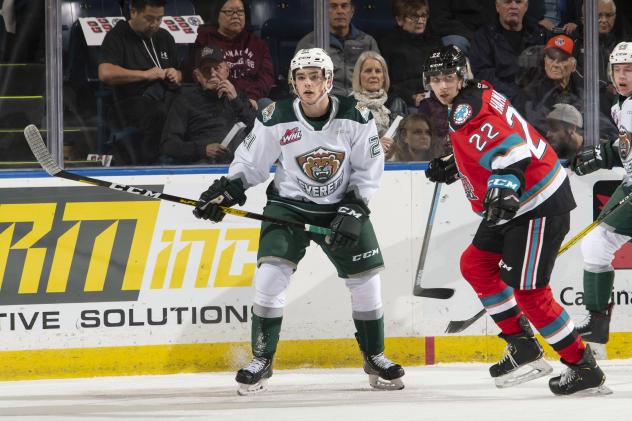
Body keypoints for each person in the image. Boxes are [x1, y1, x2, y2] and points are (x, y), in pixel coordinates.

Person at [192, 48, 405, 395]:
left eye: (315, 76)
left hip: (342, 206)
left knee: (366, 280)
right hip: (288, 207)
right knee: (270, 275)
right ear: (293, 82)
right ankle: (262, 358)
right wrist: (226, 191)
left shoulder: (357, 115)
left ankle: (374, 356)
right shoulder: (275, 117)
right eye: (301, 77)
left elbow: (369, 169)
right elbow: (252, 164)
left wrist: (355, 208)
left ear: (329, 80)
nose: (308, 84)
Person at [423, 45, 608, 395]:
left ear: (462, 75)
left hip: (536, 202)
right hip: (520, 199)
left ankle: (583, 367)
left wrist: (505, 184)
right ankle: (522, 346)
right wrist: (458, 163)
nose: (442, 85)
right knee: (476, 264)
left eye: (448, 77)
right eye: (435, 79)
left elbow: (513, 150)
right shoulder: (478, 93)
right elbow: (496, 139)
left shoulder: (465, 111)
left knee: (530, 294)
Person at [569, 42, 632, 344]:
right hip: (630, 183)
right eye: (618, 70)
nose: (622, 76)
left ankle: (596, 322)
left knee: (598, 242)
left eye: (629, 69)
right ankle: (597, 321)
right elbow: (627, 145)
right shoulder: (620, 105)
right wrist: (603, 154)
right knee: (596, 244)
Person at [98, 0, 181, 165]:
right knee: (158, 113)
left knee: (191, 104)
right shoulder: (117, 35)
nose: (154, 24)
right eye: (149, 18)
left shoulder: (165, 37)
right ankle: (153, 164)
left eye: (159, 19)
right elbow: (105, 73)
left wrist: (176, 74)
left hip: (164, 95)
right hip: (127, 101)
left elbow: (179, 71)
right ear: (133, 12)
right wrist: (144, 75)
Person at [160, 45, 256, 164]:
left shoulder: (238, 96)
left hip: (240, 162)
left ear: (227, 70)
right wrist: (202, 149)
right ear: (197, 76)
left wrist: (236, 102)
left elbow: (260, 132)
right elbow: (168, 145)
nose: (212, 74)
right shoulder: (184, 100)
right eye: (206, 70)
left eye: (217, 68)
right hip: (203, 165)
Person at [187, 0, 274, 109]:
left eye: (240, 12)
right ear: (217, 15)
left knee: (268, 105)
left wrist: (253, 97)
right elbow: (196, 72)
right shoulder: (205, 39)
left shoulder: (257, 43)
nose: (236, 16)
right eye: (229, 11)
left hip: (251, 100)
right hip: (218, 99)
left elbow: (266, 76)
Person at [295, 0, 380, 97]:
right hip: (325, 102)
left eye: (344, 6)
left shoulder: (367, 42)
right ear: (324, 12)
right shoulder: (309, 43)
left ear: (352, 12)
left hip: (361, 101)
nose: (340, 11)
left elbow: (379, 79)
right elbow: (296, 83)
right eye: (334, 6)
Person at [469, 0, 548, 103]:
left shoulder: (540, 34)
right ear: (497, 6)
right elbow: (483, 75)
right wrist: (515, 94)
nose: (513, 6)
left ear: (526, 6)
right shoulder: (483, 37)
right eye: (507, 2)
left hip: (537, 99)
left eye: (518, 2)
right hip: (503, 98)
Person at [378, 0, 442, 108]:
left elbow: (444, 75)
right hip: (404, 101)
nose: (421, 21)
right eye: (414, 17)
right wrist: (411, 97)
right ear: (399, 20)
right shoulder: (388, 44)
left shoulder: (435, 42)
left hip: (435, 97)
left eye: (423, 16)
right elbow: (386, 82)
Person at [350, 51, 406, 158]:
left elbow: (406, 141)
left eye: (378, 71)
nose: (373, 75)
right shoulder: (350, 104)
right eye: (368, 71)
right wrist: (374, 146)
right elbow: (344, 143)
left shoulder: (396, 103)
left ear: (384, 77)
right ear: (359, 76)